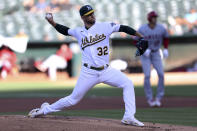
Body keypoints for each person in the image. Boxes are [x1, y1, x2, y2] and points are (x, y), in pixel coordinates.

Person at [28, 5, 146, 127]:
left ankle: (129, 117)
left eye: (93, 13)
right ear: (83, 17)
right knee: (73, 99)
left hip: (106, 70)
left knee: (127, 83)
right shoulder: (79, 32)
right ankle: (44, 110)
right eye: (89, 14)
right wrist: (52, 22)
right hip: (88, 72)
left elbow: (124, 28)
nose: (92, 16)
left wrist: (140, 36)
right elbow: (65, 30)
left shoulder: (105, 26)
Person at [137, 11, 169, 107]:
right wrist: (142, 49)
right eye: (153, 17)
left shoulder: (161, 28)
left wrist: (166, 48)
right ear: (149, 18)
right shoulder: (142, 29)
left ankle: (158, 98)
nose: (155, 19)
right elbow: (135, 41)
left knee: (161, 74)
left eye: (155, 17)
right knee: (147, 76)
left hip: (155, 53)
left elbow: (166, 38)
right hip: (145, 54)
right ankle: (150, 98)